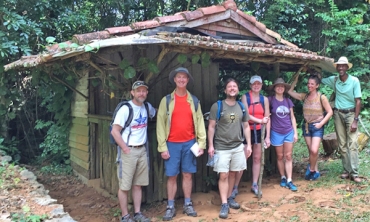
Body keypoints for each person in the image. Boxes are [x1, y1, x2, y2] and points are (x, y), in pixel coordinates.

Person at [156, 67, 206, 221]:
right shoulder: (167, 100)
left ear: (188, 80)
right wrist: (162, 147)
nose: (181, 80)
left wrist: (202, 143)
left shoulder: (194, 101)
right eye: (179, 77)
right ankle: (170, 206)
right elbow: (160, 124)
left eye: (184, 77)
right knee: (172, 176)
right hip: (171, 144)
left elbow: (200, 121)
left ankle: (187, 203)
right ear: (175, 80)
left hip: (189, 143)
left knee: (187, 174)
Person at [111, 81, 156, 222]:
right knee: (125, 185)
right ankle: (125, 216)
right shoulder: (126, 109)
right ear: (132, 92)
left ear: (146, 93)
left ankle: (137, 213)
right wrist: (125, 148)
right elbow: (115, 131)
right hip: (128, 150)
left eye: (144, 91)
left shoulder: (147, 107)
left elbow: (159, 114)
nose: (141, 93)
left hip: (142, 150)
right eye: (138, 91)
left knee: (138, 184)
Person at [207, 78, 252, 219]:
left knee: (233, 173)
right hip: (222, 147)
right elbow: (212, 126)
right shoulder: (217, 106)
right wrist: (210, 145)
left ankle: (229, 198)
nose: (232, 88)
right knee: (224, 175)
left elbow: (246, 126)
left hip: (238, 146)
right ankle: (224, 204)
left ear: (238, 89)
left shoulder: (241, 106)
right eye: (229, 86)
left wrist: (249, 144)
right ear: (225, 90)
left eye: (235, 86)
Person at [321, 56, 362, 183]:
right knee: (342, 144)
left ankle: (354, 173)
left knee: (353, 144)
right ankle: (346, 170)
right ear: (337, 68)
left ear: (347, 67)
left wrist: (355, 119)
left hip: (351, 114)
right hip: (338, 114)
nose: (341, 68)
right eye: (339, 66)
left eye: (343, 66)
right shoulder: (334, 80)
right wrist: (311, 69)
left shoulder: (354, 81)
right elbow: (319, 79)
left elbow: (358, 101)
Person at [231, 75, 270, 197]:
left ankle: (254, 184)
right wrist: (260, 120)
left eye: (258, 83)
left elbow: (267, 118)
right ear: (250, 85)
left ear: (261, 85)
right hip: (247, 130)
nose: (256, 85)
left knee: (257, 158)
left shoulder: (265, 99)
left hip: (259, 131)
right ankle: (235, 186)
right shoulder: (245, 97)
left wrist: (268, 136)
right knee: (243, 159)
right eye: (254, 84)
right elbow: (246, 115)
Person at [288, 74, 333, 180]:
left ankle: (311, 169)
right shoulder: (305, 96)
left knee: (314, 150)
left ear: (317, 85)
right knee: (310, 150)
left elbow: (330, 112)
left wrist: (321, 123)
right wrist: (295, 79)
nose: (309, 85)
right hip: (307, 126)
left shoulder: (322, 97)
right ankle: (315, 170)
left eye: (312, 84)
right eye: (308, 83)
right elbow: (290, 91)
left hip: (317, 126)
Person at [268, 78, 298, 192]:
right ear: (274, 88)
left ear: (284, 89)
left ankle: (290, 179)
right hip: (276, 132)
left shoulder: (288, 101)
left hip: (288, 131)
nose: (280, 88)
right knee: (280, 156)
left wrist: (295, 132)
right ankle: (283, 177)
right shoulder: (270, 100)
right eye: (278, 86)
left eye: (282, 86)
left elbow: (292, 117)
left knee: (288, 155)